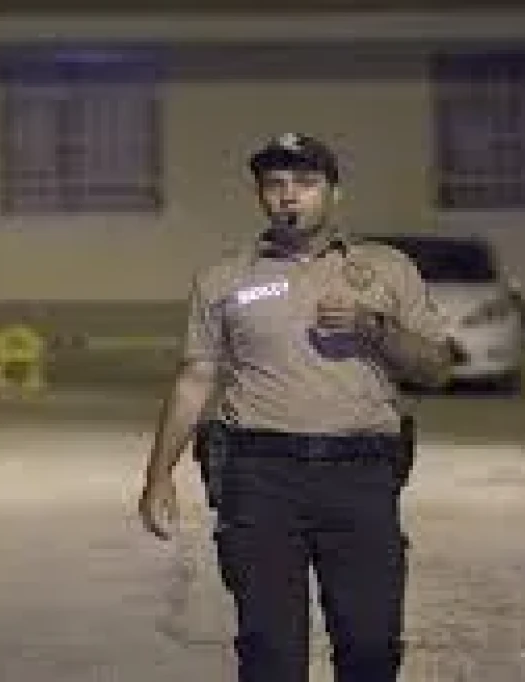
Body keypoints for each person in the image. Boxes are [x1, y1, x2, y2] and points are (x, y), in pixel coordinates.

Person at [137, 133, 454, 682]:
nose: (289, 195)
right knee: (270, 652)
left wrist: (373, 327)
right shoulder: (225, 278)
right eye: (275, 184)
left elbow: (436, 366)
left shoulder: (387, 269)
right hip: (260, 476)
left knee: (371, 645)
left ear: (334, 192)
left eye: (306, 183)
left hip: (361, 474)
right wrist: (158, 475)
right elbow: (195, 379)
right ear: (259, 195)